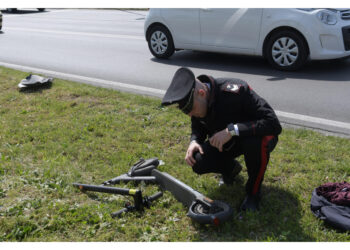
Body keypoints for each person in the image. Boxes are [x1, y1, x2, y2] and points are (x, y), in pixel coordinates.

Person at [161, 67, 282, 211]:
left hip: (256, 136)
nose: (190, 114)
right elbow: (198, 126)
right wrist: (195, 141)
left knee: (254, 142)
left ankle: (253, 194)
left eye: (190, 109)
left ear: (201, 93)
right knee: (198, 159)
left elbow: (273, 123)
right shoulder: (199, 103)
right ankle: (230, 170)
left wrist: (232, 130)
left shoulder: (236, 91)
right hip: (228, 141)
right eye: (186, 111)